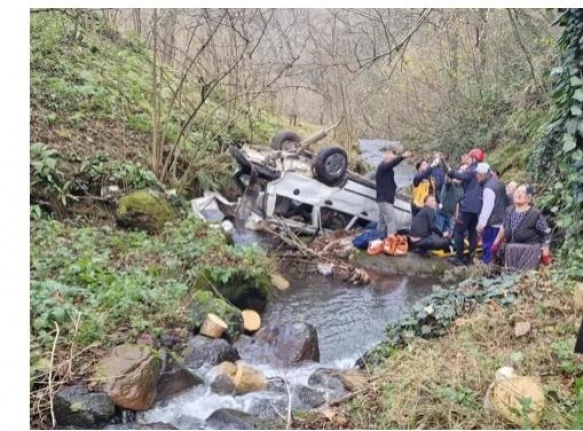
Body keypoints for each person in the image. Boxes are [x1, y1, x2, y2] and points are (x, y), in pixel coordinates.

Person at [491, 184, 552, 271]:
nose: (518, 194)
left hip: (529, 252)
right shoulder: (508, 210)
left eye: (522, 192)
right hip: (511, 252)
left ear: (529, 198)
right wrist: (496, 244)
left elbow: (546, 233)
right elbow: (504, 227)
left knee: (523, 279)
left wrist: (545, 252)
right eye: (517, 191)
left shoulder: (535, 214)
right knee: (509, 277)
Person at [446, 148, 484, 266]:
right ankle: (471, 257)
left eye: (470, 157)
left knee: (458, 231)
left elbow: (460, 176)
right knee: (472, 231)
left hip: (467, 206)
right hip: (477, 207)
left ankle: (459, 257)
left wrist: (450, 171)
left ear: (474, 158)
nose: (468, 159)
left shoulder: (472, 170)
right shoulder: (482, 171)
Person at [476, 162, 509, 264]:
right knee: (498, 248)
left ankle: (487, 269)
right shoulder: (499, 182)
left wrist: (481, 224)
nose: (476, 176)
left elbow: (487, 207)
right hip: (503, 223)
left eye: (477, 174)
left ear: (481, 175)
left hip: (493, 224)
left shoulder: (488, 188)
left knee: (489, 248)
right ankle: (496, 267)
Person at [376, 148, 412, 235]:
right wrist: (402, 156)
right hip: (385, 200)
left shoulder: (387, 169)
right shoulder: (383, 167)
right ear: (386, 157)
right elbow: (393, 163)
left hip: (384, 199)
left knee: (382, 222)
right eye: (391, 158)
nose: (392, 159)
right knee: (392, 221)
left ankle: (377, 239)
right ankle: (391, 242)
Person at [439, 164, 465, 236]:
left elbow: (457, 203)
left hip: (450, 214)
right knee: (438, 230)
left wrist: (456, 215)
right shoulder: (451, 183)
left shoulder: (462, 189)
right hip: (441, 212)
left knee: (449, 233)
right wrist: (448, 171)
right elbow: (447, 180)